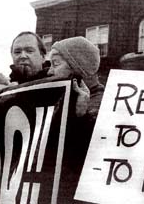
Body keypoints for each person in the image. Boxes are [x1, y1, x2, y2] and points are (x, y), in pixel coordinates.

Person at [45, 36, 104, 203]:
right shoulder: (62, 100)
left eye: (56, 64)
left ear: (79, 70)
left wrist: (80, 118)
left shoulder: (102, 105)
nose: (50, 71)